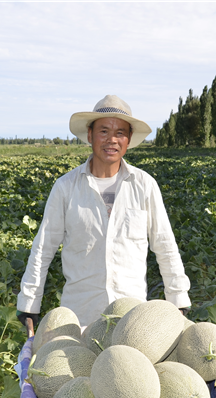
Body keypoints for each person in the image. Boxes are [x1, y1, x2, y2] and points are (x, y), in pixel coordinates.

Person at [16, 95, 191, 328]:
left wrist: (178, 300)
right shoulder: (66, 187)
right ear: (90, 135)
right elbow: (43, 248)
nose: (112, 140)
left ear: (128, 139)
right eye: (104, 131)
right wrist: (29, 304)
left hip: (131, 319)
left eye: (120, 132)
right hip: (79, 317)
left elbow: (164, 245)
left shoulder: (145, 185)